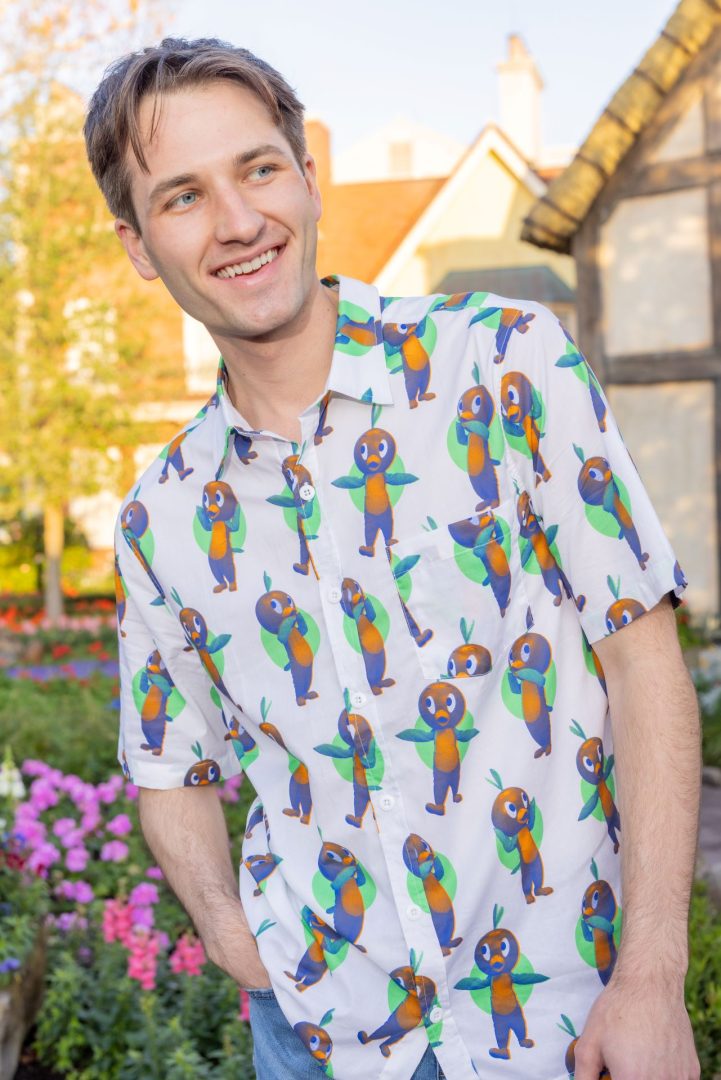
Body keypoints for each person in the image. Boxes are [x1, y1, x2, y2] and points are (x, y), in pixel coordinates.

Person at [84, 36, 702, 1080]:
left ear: (307, 177)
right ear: (139, 245)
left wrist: (650, 976)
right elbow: (168, 768)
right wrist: (234, 938)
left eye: (258, 169)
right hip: (317, 1036)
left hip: (568, 1022)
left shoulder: (506, 363)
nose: (237, 221)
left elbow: (642, 663)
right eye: (182, 196)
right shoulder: (161, 516)